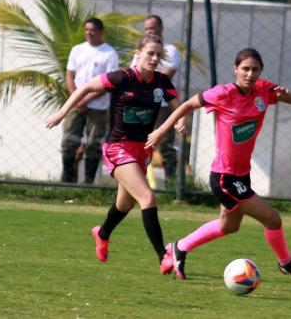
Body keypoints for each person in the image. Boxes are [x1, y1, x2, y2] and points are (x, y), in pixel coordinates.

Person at [146, 48, 291, 281]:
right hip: (225, 178)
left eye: (255, 69)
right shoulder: (222, 93)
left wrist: (285, 94)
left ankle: (179, 247)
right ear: (236, 69)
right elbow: (187, 105)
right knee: (272, 218)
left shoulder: (264, 90)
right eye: (245, 68)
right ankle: (286, 262)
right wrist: (162, 130)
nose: (250, 73)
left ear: (260, 71)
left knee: (229, 226)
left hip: (242, 174)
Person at [46, 34, 186, 274]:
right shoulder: (122, 77)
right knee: (148, 199)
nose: (154, 59)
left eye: (158, 55)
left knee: (124, 203)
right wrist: (61, 113)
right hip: (117, 148)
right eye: (149, 53)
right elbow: (87, 87)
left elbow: (179, 106)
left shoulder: (162, 82)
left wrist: (180, 120)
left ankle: (102, 234)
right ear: (138, 52)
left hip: (142, 150)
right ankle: (163, 256)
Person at [61, 17, 119, 184]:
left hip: (98, 107)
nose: (89, 33)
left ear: (100, 32)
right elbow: (70, 75)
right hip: (75, 105)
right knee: (69, 141)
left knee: (94, 144)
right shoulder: (77, 50)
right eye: (86, 29)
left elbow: (109, 83)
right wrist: (76, 99)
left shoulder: (109, 53)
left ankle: (88, 183)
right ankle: (67, 181)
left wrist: (85, 99)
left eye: (92, 30)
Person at [131, 15, 181, 180]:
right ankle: (136, 181)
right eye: (146, 28)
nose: (149, 31)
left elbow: (164, 76)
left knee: (165, 146)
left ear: (161, 28)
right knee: (137, 144)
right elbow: (134, 74)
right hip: (141, 105)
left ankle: (171, 184)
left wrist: (144, 79)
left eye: (152, 28)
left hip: (162, 107)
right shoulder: (142, 50)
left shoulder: (170, 50)